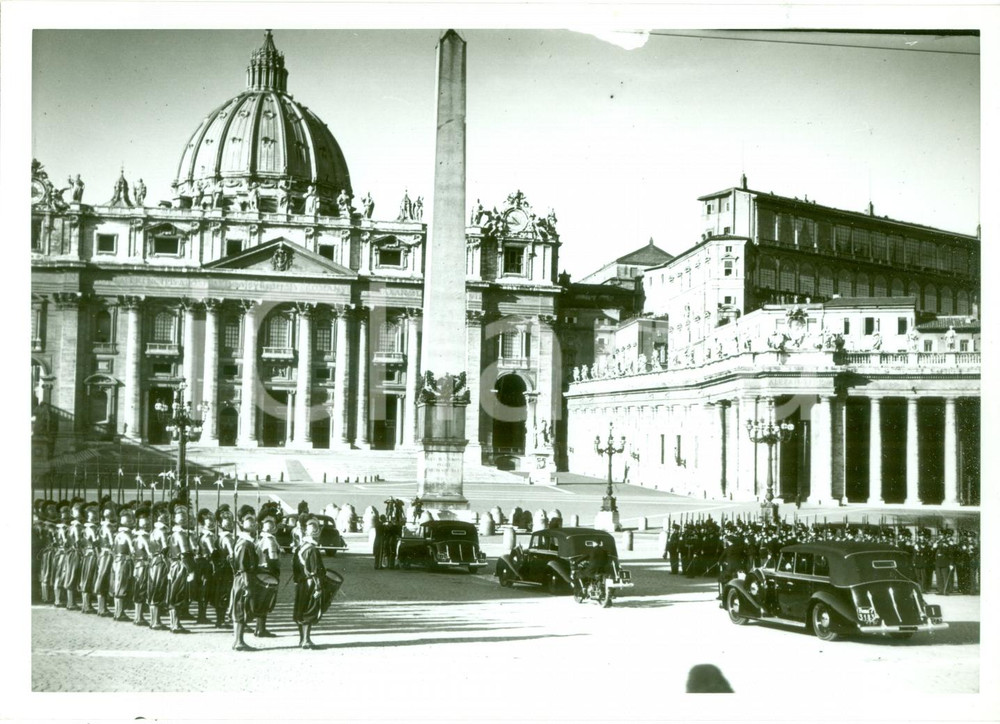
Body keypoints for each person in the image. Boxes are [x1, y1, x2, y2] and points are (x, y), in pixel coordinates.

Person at [293, 515, 336, 649]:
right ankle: (306, 640)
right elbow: (315, 570)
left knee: (301, 609)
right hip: (311, 583)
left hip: (301, 583)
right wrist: (318, 587)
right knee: (309, 609)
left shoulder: (301, 547)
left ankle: (302, 639)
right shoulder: (311, 549)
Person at [231, 505, 260, 651]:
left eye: (254, 520)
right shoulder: (245, 543)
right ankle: (239, 641)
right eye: (249, 520)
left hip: (241, 579)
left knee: (239, 608)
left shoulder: (244, 541)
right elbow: (243, 567)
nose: (253, 523)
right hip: (244, 579)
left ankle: (238, 640)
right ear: (241, 523)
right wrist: (248, 585)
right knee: (241, 609)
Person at [165, 501, 196, 634]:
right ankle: (175, 624)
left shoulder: (173, 534)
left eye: (185, 514)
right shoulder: (181, 534)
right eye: (179, 514)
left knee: (174, 593)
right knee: (178, 594)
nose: (183, 517)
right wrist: (191, 570)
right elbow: (185, 554)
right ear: (174, 518)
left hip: (174, 565)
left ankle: (174, 623)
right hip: (181, 566)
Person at [254, 504, 281, 638]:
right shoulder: (269, 539)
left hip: (259, 571)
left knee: (262, 600)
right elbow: (273, 558)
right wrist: (276, 572)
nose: (270, 525)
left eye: (272, 522)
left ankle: (259, 628)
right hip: (267, 571)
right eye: (268, 522)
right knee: (266, 600)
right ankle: (261, 629)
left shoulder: (261, 537)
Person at [146, 502, 171, 630]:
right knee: (159, 588)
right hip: (161, 562)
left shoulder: (153, 531)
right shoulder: (162, 531)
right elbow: (166, 548)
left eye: (166, 513)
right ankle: (156, 621)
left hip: (153, 562)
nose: (166, 516)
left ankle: (154, 620)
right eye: (162, 514)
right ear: (157, 516)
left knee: (154, 588)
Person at [111, 506, 135, 622]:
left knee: (118, 585)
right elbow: (132, 549)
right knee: (122, 585)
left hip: (117, 560)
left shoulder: (117, 534)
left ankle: (117, 611)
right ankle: (119, 612)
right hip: (125, 560)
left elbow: (113, 549)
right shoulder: (127, 535)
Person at [213, 505, 235, 629]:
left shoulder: (220, 536)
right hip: (227, 569)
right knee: (226, 593)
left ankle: (220, 619)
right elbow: (232, 555)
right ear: (221, 524)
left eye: (231, 520)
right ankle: (224, 619)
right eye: (228, 522)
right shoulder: (227, 538)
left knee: (222, 593)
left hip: (221, 568)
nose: (231, 523)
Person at [194, 508, 217, 625]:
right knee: (205, 590)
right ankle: (201, 616)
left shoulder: (204, 533)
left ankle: (202, 615)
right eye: (208, 519)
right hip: (206, 564)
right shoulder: (208, 536)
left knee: (204, 590)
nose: (212, 521)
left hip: (203, 563)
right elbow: (213, 552)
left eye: (212, 519)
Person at [78, 503, 100, 614]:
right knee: (88, 578)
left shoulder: (85, 528)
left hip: (87, 554)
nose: (95, 517)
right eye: (92, 515)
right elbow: (96, 542)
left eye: (96, 514)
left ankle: (87, 604)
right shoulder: (91, 528)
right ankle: (86, 605)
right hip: (92, 554)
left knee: (88, 578)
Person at [132, 503, 151, 626]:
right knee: (141, 589)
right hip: (143, 564)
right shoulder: (142, 537)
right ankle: (138, 617)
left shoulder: (136, 536)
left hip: (139, 564)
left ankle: (139, 615)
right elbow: (150, 552)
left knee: (141, 589)